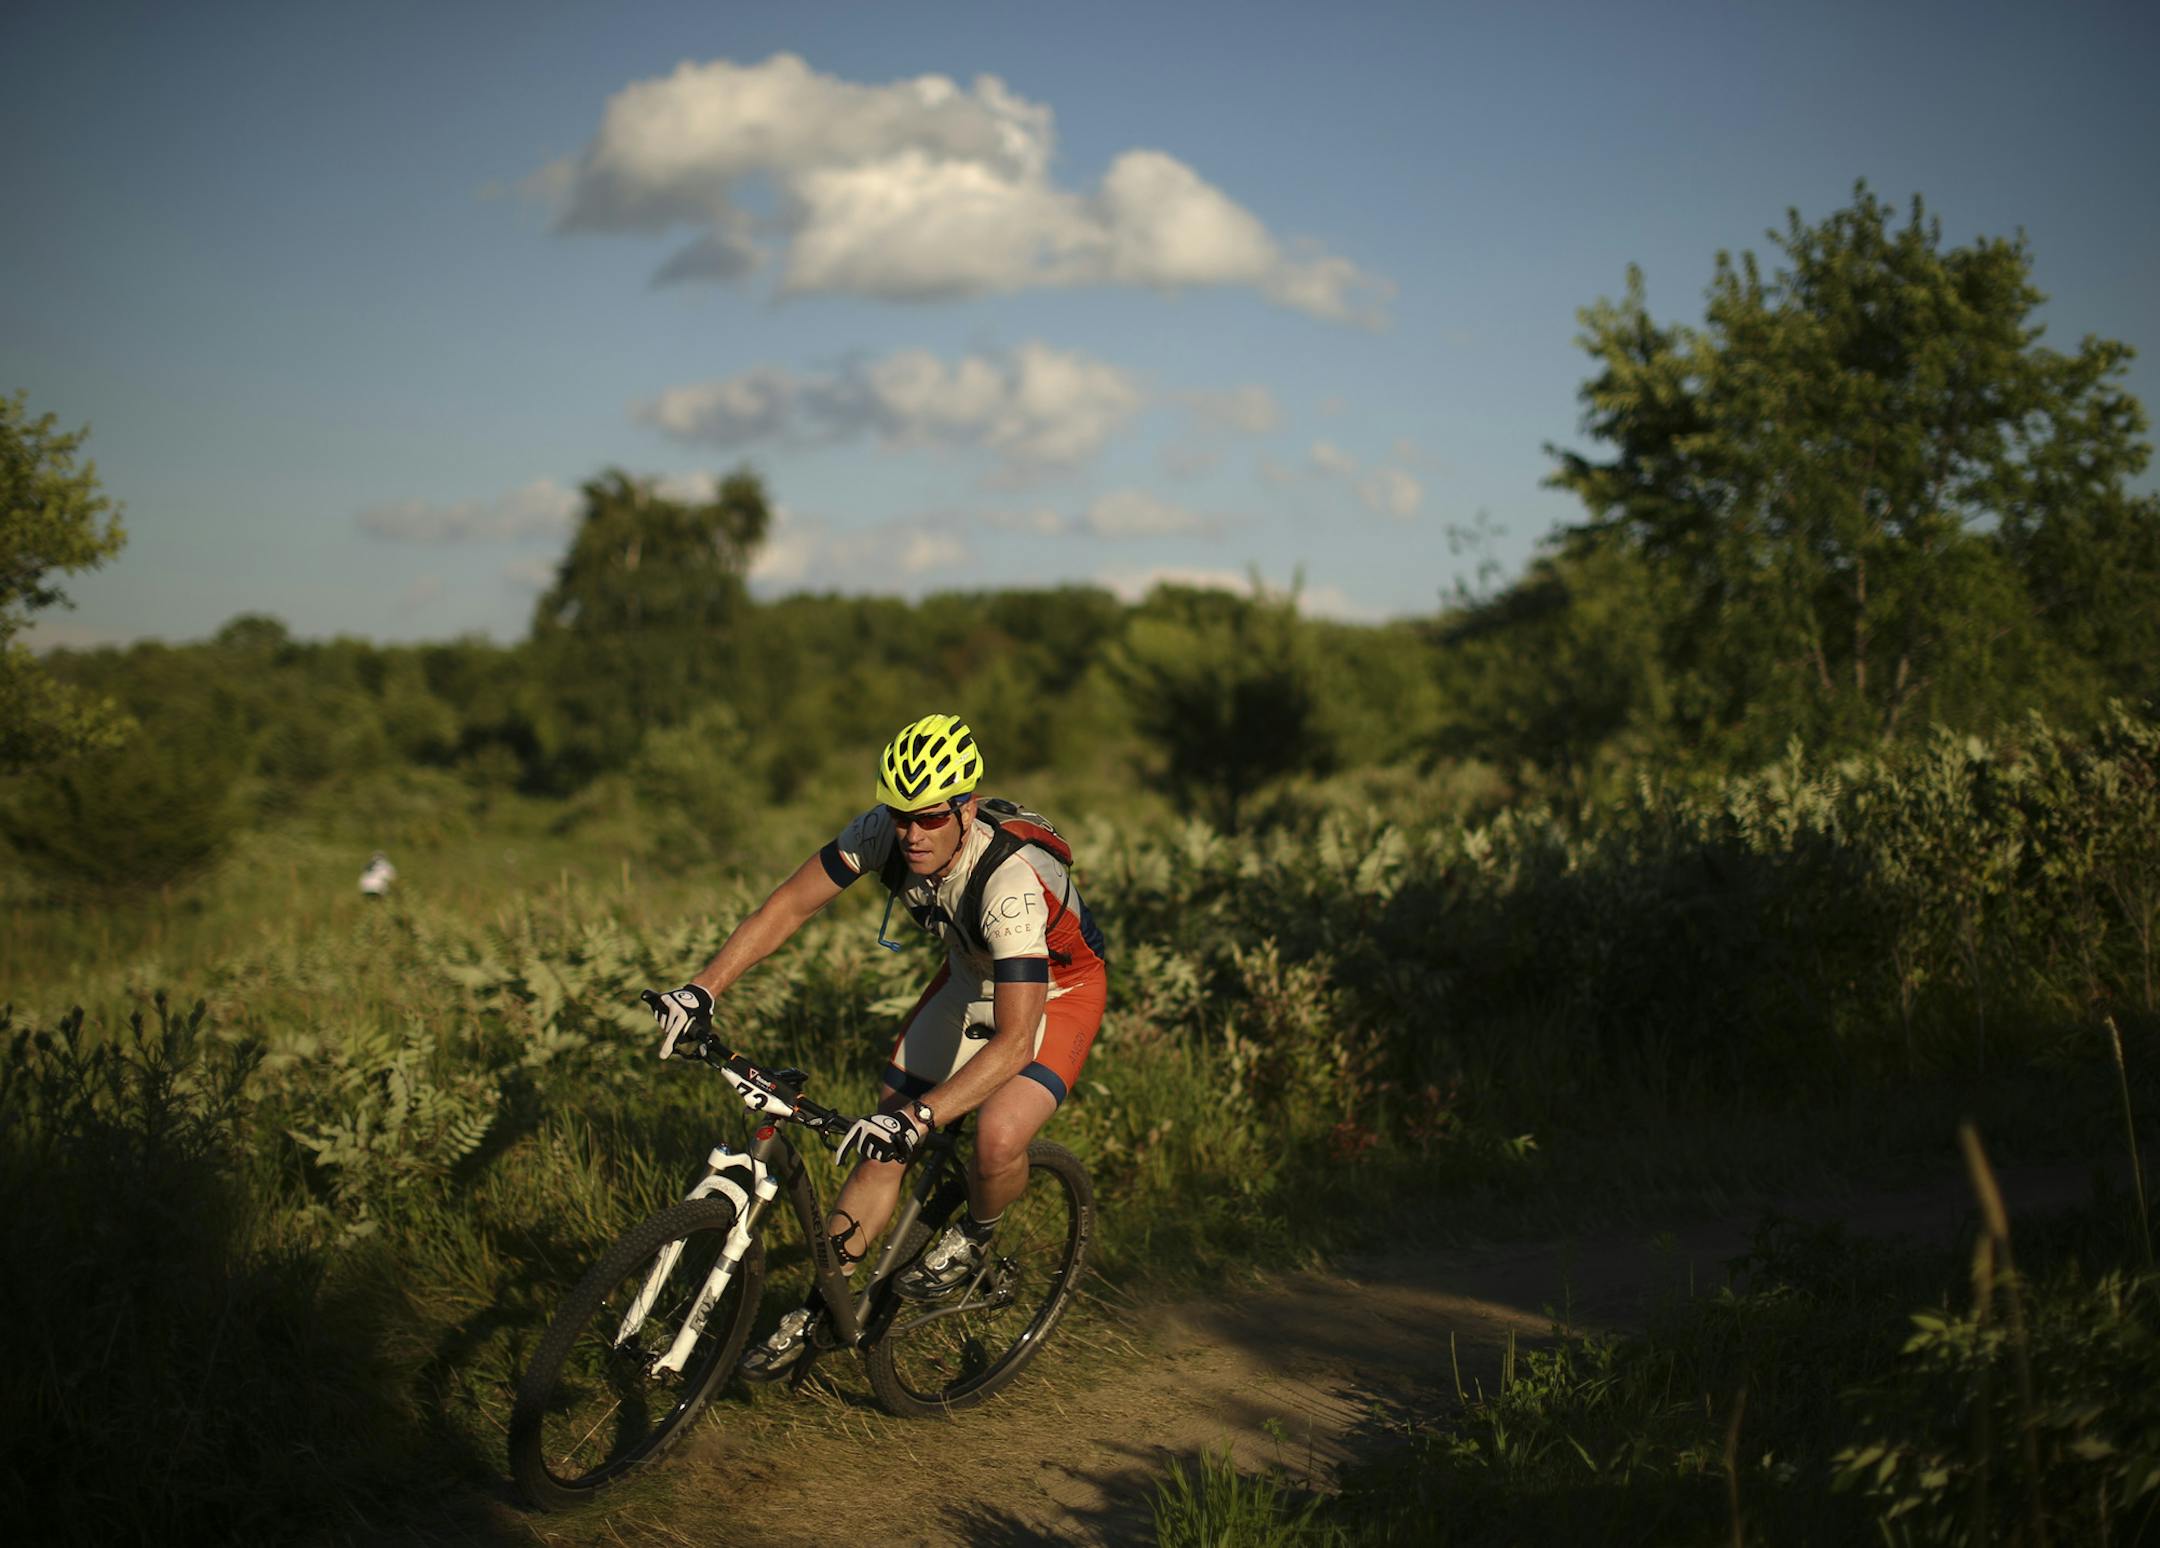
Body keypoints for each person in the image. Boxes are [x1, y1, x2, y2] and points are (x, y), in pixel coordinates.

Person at [645, 713, 1109, 1381]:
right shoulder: (883, 834)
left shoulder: (1009, 887)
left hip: (1056, 992)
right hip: (970, 975)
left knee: (998, 1137)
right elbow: (789, 906)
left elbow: (1012, 1044)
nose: (910, 834)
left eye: (927, 819)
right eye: (899, 816)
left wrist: (921, 1116)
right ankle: (815, 1313)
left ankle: (976, 1233)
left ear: (965, 809)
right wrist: (702, 989)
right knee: (879, 1143)